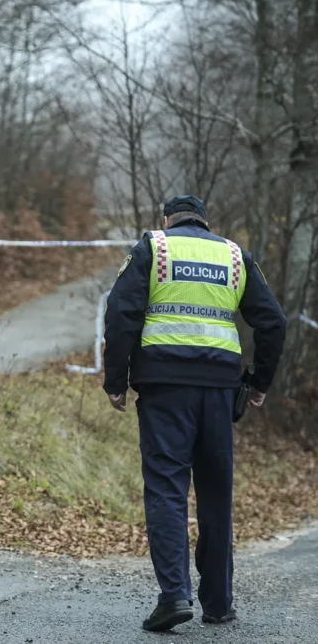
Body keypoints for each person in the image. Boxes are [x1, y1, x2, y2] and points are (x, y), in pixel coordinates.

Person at [103, 194, 287, 632]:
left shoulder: (154, 247)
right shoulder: (235, 257)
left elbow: (121, 314)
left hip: (165, 389)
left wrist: (115, 380)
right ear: (206, 221)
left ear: (167, 219)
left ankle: (174, 596)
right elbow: (274, 322)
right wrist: (259, 382)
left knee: (167, 489)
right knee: (216, 494)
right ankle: (219, 603)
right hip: (221, 393)